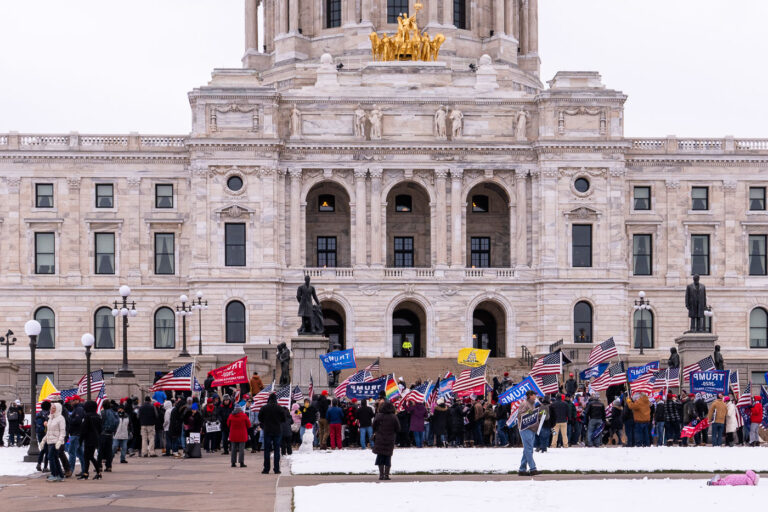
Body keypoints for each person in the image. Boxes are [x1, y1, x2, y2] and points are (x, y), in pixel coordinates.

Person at [258, 393, 285, 474]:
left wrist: (265, 423)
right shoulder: (280, 408)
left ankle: (266, 469)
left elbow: (260, 418)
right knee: (277, 450)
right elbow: (283, 419)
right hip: (277, 430)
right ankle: (276, 469)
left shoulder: (264, 408)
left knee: (267, 450)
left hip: (267, 430)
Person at [372, 400, 399, 480]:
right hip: (390, 439)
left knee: (380, 457)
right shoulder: (394, 417)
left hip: (380, 438)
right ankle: (386, 475)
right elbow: (398, 428)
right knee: (388, 457)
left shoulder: (378, 416)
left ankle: (381, 475)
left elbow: (374, 426)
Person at [77, 400, 103, 480]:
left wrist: (80, 440)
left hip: (88, 439)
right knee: (88, 456)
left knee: (88, 457)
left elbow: (83, 429)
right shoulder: (98, 416)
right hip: (95, 439)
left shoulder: (87, 416)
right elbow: (100, 429)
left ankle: (93, 473)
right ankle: (87, 473)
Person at [518, 390, 540, 476]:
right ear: (530, 395)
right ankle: (533, 468)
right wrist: (529, 412)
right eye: (534, 395)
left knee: (527, 449)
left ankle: (522, 469)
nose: (535, 396)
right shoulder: (524, 403)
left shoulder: (533, 404)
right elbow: (519, 415)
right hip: (525, 428)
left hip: (531, 428)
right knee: (529, 449)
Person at [43, 402, 66, 482]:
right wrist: (43, 440)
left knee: (50, 457)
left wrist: (60, 441)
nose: (51, 409)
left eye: (53, 408)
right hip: (50, 441)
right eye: (51, 408)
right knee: (55, 458)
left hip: (56, 442)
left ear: (58, 409)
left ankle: (54, 474)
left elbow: (63, 431)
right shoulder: (50, 418)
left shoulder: (61, 418)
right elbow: (49, 432)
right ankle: (60, 475)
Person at [66, 396, 85, 472]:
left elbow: (77, 420)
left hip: (76, 434)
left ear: (77, 400)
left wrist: (69, 419)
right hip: (77, 434)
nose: (71, 402)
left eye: (72, 400)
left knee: (71, 452)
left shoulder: (79, 409)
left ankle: (70, 469)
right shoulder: (77, 409)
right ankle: (84, 470)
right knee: (80, 453)